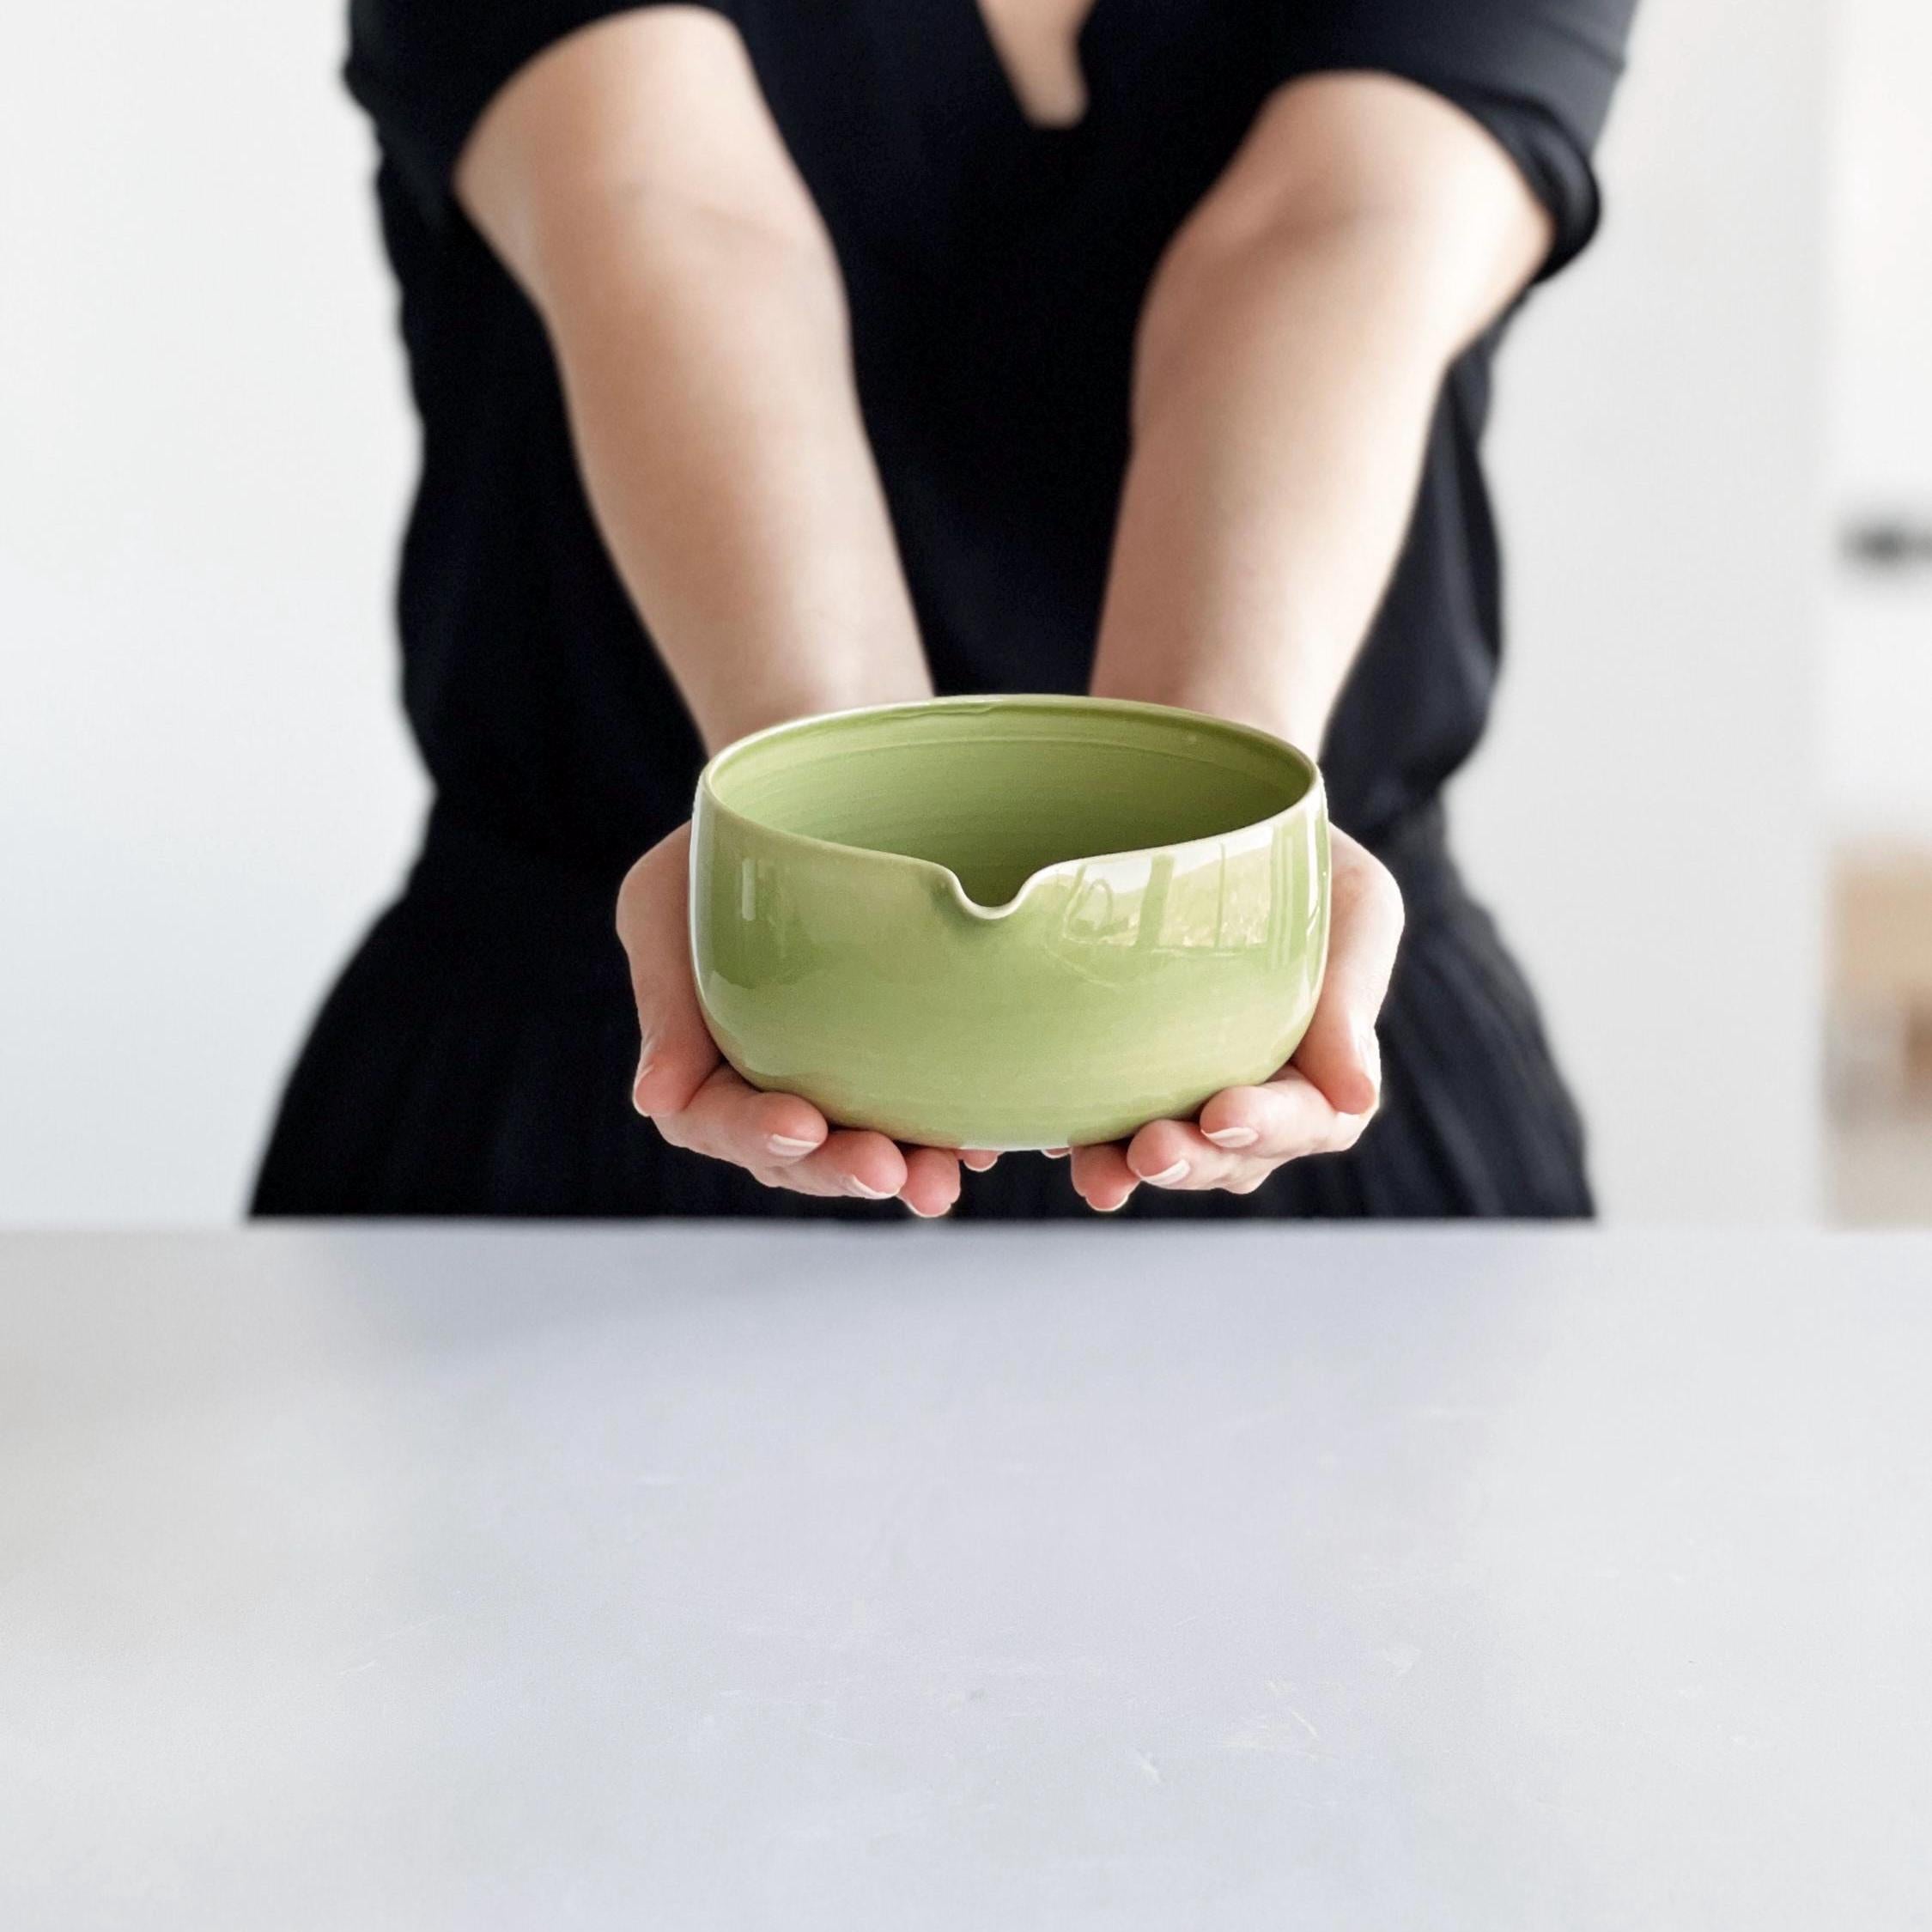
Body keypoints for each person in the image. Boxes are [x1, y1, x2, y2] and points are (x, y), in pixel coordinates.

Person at [253, 0, 1637, 1221]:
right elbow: (665, 212)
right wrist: (816, 846)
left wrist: (1215, 880)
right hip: (628, 1050)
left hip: (1283, 1054)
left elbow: (1334, 228)